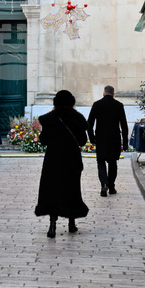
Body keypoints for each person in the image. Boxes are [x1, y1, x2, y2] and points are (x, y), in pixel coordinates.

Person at [34, 90, 90, 238]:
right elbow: (82, 141)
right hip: (72, 160)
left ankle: (52, 225)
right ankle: (71, 223)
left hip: (53, 159)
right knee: (72, 189)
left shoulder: (50, 119)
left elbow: (43, 140)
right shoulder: (77, 118)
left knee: (53, 190)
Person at [87, 85, 129, 197]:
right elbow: (124, 125)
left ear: (104, 93)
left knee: (101, 162)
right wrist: (125, 142)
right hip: (114, 138)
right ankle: (111, 187)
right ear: (113, 94)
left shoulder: (97, 104)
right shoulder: (118, 105)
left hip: (101, 138)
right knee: (112, 163)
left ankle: (104, 183)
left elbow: (89, 123)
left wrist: (92, 138)